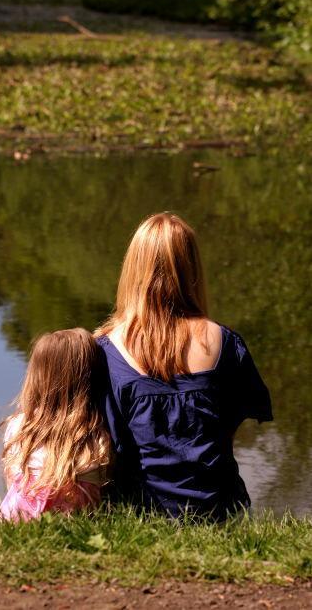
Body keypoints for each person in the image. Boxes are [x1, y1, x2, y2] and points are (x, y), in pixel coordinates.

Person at [96, 212, 272, 521]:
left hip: (139, 513)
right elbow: (228, 431)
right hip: (219, 509)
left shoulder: (104, 350)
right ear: (192, 267)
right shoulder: (226, 343)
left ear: (133, 268)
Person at [0, 328, 112, 522]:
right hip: (77, 525)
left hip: (14, 521)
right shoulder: (95, 436)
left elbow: (11, 484)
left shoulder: (18, 426)